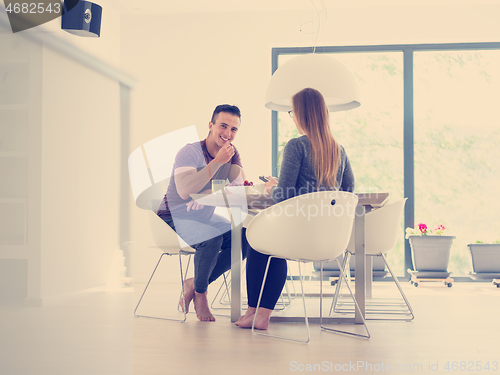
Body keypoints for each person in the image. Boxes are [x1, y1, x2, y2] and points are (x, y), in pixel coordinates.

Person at [235, 88, 355, 330]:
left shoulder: (296, 146)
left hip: (299, 235)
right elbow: (348, 192)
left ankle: (255, 313)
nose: (292, 116)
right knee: (269, 244)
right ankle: (260, 315)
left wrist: (271, 188)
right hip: (329, 241)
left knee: (258, 242)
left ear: (301, 114)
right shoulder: (339, 150)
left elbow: (284, 196)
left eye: (292, 112)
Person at [157, 104, 250, 322]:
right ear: (211, 125)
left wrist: (206, 194)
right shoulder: (190, 152)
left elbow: (240, 186)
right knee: (212, 238)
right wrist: (218, 162)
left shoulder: (232, 154)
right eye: (223, 126)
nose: (228, 134)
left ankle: (195, 282)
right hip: (173, 216)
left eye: (234, 129)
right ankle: (201, 295)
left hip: (202, 216)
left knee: (244, 239)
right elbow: (184, 190)